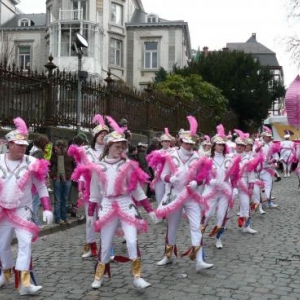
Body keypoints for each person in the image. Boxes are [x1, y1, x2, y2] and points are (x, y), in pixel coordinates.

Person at [88, 116, 156, 289]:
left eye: (123, 147)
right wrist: (90, 214)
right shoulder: (98, 167)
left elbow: (138, 190)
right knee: (105, 245)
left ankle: (137, 276)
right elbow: (94, 193)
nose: (121, 149)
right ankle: (98, 276)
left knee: (132, 241)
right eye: (117, 146)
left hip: (127, 205)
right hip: (107, 206)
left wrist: (150, 210)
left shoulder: (129, 165)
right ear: (109, 146)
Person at [0, 117, 53, 296]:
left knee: (25, 245)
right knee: (2, 247)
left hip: (24, 211)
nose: (23, 148)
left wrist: (46, 208)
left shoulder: (32, 162)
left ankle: (24, 283)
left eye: (24, 145)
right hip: (3, 211)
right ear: (9, 145)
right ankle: (5, 272)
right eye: (19, 145)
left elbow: (41, 186)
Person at [155, 116, 213, 271]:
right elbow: (162, 175)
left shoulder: (199, 158)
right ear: (180, 142)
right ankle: (167, 256)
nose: (188, 146)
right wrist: (170, 178)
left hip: (191, 197)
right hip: (174, 196)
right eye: (186, 143)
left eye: (191, 144)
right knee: (172, 227)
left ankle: (199, 260)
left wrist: (196, 182)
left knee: (196, 226)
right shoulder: (171, 156)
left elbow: (203, 177)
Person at [69, 114, 109, 258]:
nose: (103, 136)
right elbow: (81, 171)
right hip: (90, 190)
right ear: (95, 135)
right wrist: (80, 189)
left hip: (107, 190)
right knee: (90, 219)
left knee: (106, 219)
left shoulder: (110, 151)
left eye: (105, 134)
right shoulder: (87, 151)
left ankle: (106, 248)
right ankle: (91, 247)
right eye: (100, 134)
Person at [201, 124, 240, 249]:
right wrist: (210, 181)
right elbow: (203, 174)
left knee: (222, 215)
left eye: (223, 145)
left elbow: (234, 176)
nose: (221, 147)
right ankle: (199, 235)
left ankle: (218, 238)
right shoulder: (207, 159)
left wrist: (234, 188)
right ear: (213, 146)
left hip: (225, 191)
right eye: (219, 144)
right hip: (211, 189)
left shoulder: (230, 159)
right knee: (208, 214)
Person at [233, 129, 257, 234]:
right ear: (235, 145)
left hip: (244, 183)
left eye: (242, 145)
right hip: (232, 184)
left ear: (245, 147)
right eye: (238, 145)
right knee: (227, 208)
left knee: (246, 206)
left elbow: (251, 174)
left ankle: (246, 226)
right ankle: (222, 226)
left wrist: (251, 187)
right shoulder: (229, 157)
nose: (240, 147)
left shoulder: (249, 158)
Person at [49, 139, 74, 225]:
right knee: (58, 200)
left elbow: (74, 166)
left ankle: (64, 217)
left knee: (65, 199)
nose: (56, 150)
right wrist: (53, 175)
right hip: (57, 180)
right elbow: (49, 166)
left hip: (67, 178)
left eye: (57, 148)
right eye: (55, 149)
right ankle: (58, 218)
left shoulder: (69, 155)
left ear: (62, 148)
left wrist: (71, 175)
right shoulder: (54, 156)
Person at [254, 126, 280, 208]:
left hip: (267, 168)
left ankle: (268, 201)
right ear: (263, 137)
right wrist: (259, 147)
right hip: (257, 169)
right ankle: (256, 203)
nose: (269, 138)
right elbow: (253, 153)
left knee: (269, 185)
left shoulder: (272, 145)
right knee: (255, 187)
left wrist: (273, 160)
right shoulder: (257, 143)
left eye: (270, 137)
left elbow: (276, 156)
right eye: (268, 137)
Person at [29, 134, 50, 226]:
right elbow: (40, 168)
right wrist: (45, 178)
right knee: (35, 203)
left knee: (34, 202)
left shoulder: (32, 149)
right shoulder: (38, 152)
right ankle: (35, 222)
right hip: (37, 181)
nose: (46, 145)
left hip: (32, 180)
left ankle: (34, 221)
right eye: (45, 143)